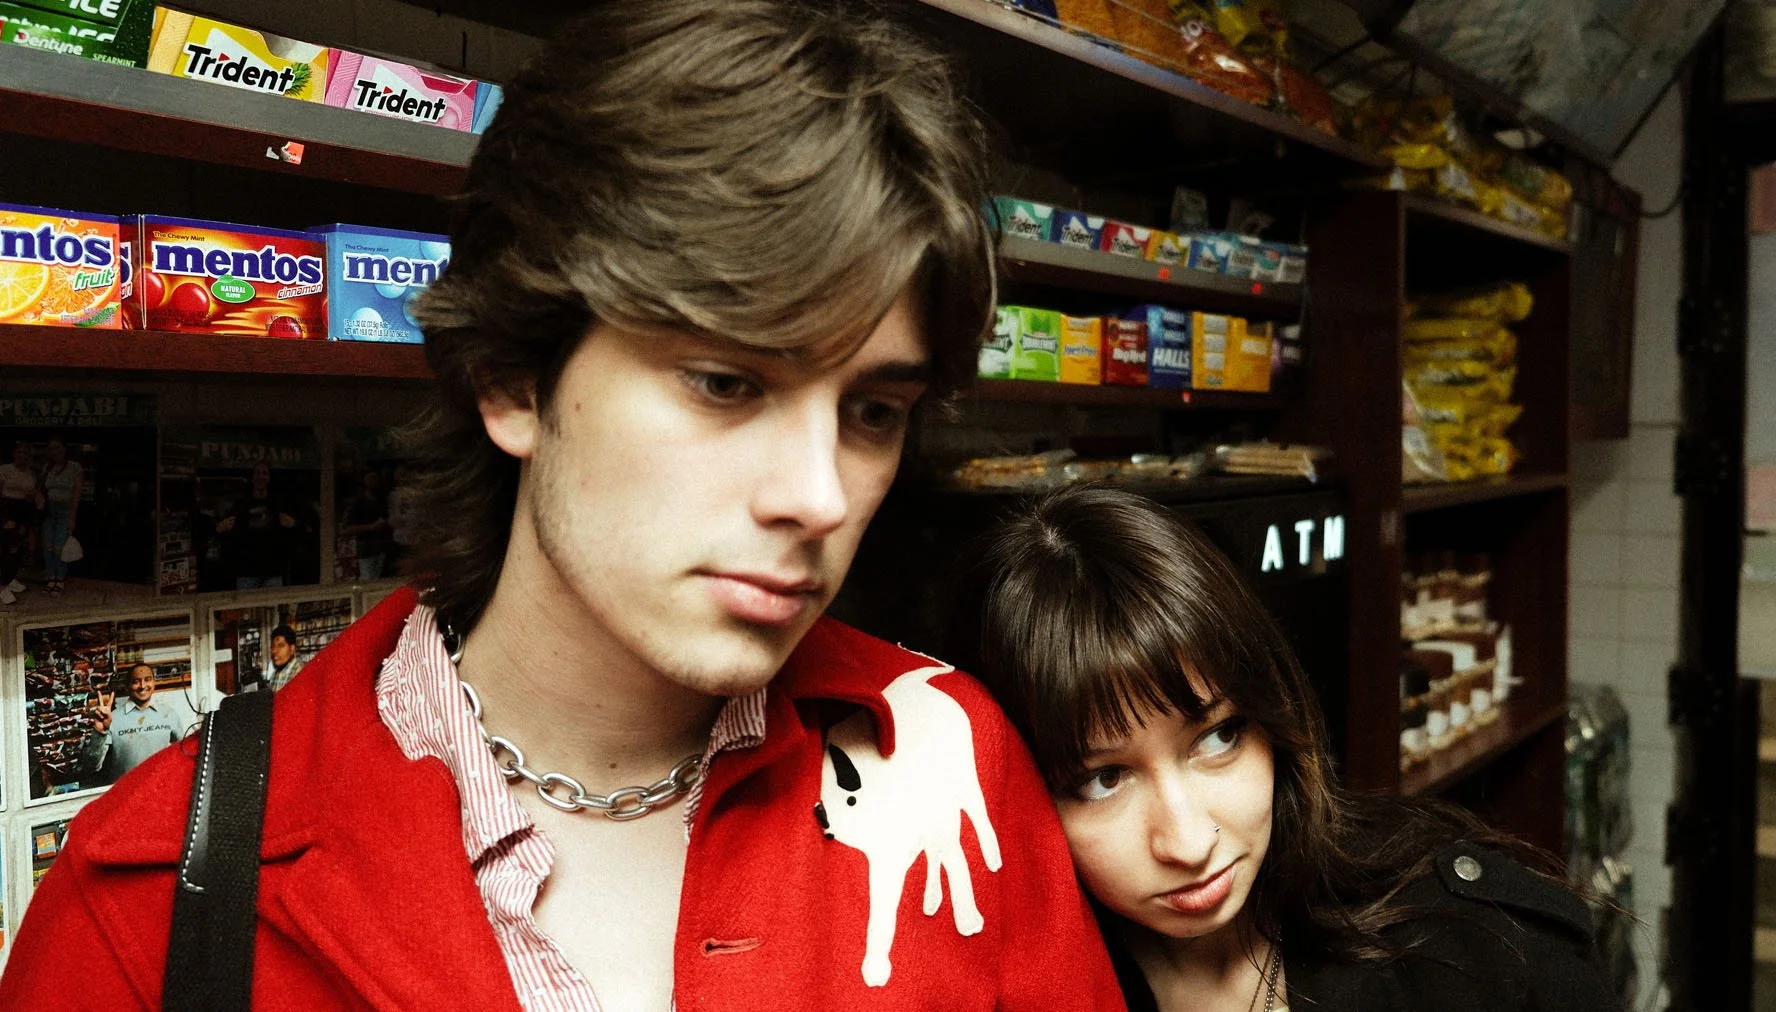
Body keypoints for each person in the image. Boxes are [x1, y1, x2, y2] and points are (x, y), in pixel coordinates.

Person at [0, 4, 1126, 1010]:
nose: (819, 496)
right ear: (513, 378)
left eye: (874, 411)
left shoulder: (953, 761)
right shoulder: (154, 895)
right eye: (727, 383)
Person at [964, 486, 1620, 1012]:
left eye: (1218, 738)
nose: (1188, 844)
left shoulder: (1476, 953)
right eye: (1103, 779)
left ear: (1275, 717)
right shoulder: (1012, 988)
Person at [77, 663, 197, 787]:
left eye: (147, 680)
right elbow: (91, 766)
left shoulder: (169, 714)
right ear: (127, 686)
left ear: (154, 682)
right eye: (136, 681)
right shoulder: (113, 718)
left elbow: (184, 754)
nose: (142, 686)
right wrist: (99, 731)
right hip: (124, 793)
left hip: (160, 789)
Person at [216, 458, 297, 589]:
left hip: (273, 573)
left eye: (265, 473)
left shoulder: (278, 504)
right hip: (246, 573)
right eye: (257, 473)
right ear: (252, 477)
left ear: (269, 478)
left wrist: (294, 525)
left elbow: (294, 532)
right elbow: (227, 533)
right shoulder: (240, 505)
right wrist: (220, 529)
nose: (261, 476)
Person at [37, 438, 80, 598]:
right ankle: (50, 578)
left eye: (58, 447)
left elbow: (76, 494)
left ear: (64, 449)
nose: (56, 451)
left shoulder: (75, 467)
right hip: (49, 510)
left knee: (59, 547)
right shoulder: (47, 467)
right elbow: (40, 488)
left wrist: (72, 516)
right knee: (48, 546)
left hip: (65, 510)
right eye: (52, 448)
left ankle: (60, 579)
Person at [0, 442, 38, 605]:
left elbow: (30, 496)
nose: (22, 455)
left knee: (19, 548)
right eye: (19, 452)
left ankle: (11, 578)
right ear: (14, 454)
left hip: (24, 511)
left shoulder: (31, 473)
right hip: (6, 510)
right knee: (8, 548)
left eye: (25, 453)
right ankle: (2, 586)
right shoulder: (4, 469)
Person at [339, 468, 392, 580]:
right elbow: (347, 528)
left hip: (383, 547)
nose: (373, 481)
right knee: (368, 579)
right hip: (366, 548)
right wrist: (371, 527)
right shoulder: (358, 502)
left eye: (375, 478)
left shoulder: (383, 500)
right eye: (370, 478)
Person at [264, 623, 303, 691]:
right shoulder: (275, 675)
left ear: (292, 649)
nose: (274, 651)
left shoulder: (299, 674)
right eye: (273, 646)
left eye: (280, 646)